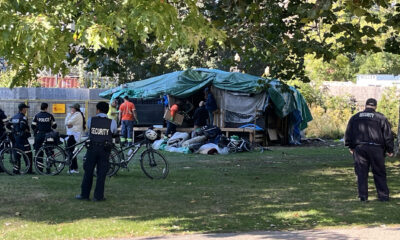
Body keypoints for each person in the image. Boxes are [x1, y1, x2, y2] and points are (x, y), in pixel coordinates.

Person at [345, 98, 394, 202]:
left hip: (360, 148)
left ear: (365, 106)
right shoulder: (380, 117)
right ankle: (383, 196)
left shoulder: (355, 117)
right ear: (375, 106)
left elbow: (348, 133)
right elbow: (388, 135)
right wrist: (390, 149)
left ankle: (363, 196)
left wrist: (350, 146)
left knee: (361, 173)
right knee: (379, 173)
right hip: (376, 149)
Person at [75, 101, 117, 201]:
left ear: (98, 110)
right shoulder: (112, 122)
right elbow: (114, 132)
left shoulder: (91, 120)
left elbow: (89, 130)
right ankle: (98, 196)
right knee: (101, 173)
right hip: (104, 149)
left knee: (88, 172)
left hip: (92, 148)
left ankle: (84, 195)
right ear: (107, 111)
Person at [31, 103, 57, 173]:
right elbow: (54, 126)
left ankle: (40, 169)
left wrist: (37, 130)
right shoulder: (50, 116)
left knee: (39, 152)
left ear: (40, 107)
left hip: (39, 135)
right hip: (48, 135)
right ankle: (48, 169)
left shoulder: (37, 116)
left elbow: (33, 126)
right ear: (46, 108)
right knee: (49, 152)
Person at [8, 103, 33, 174]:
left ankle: (16, 170)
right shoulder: (23, 117)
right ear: (23, 109)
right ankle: (29, 170)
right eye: (25, 109)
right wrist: (26, 130)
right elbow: (23, 126)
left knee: (17, 153)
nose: (26, 110)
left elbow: (8, 125)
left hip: (15, 138)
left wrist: (14, 130)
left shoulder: (14, 117)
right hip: (23, 138)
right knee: (28, 153)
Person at [65, 103, 86, 174]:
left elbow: (68, 123)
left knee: (70, 152)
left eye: (72, 108)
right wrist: (69, 124)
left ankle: (72, 168)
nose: (71, 109)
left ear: (75, 108)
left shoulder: (77, 115)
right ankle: (75, 168)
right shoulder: (76, 114)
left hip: (73, 135)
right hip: (72, 135)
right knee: (71, 152)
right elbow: (67, 123)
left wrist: (69, 116)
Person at [0, 108, 7, 173]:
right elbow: (6, 122)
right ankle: (1, 168)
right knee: (1, 150)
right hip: (1, 133)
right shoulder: (1, 112)